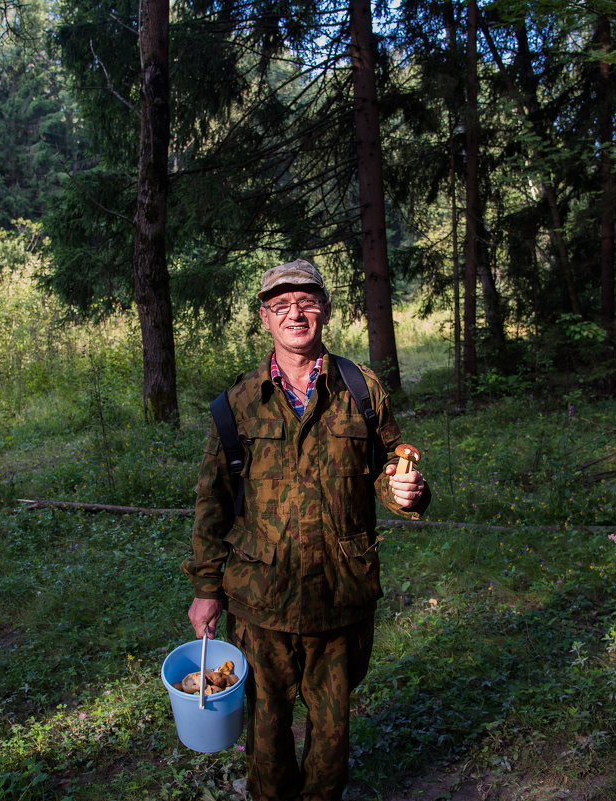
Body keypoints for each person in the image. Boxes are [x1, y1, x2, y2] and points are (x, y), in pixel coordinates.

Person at [182, 259, 430, 801]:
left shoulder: (361, 389)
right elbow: (213, 502)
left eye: (307, 301)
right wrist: (206, 589)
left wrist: (406, 493)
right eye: (281, 305)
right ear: (265, 320)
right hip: (260, 599)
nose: (296, 313)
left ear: (327, 310)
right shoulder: (237, 405)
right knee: (266, 731)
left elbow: (390, 467)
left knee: (332, 730)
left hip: (341, 594)